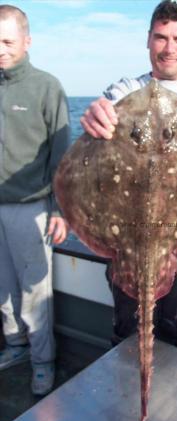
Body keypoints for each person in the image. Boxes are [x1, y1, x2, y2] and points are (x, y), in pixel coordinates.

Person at [81, 0, 177, 356]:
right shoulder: (124, 90)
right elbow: (100, 122)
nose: (170, 48)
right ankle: (126, 402)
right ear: (148, 41)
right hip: (129, 238)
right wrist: (95, 117)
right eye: (161, 37)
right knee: (127, 335)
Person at [0, 5, 70, 395]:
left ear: (27, 42)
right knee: (3, 289)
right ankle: (15, 346)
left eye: (8, 41)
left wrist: (60, 209)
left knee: (34, 293)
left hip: (31, 208)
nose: (0, 49)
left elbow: (62, 155)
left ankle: (43, 361)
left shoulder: (47, 87)